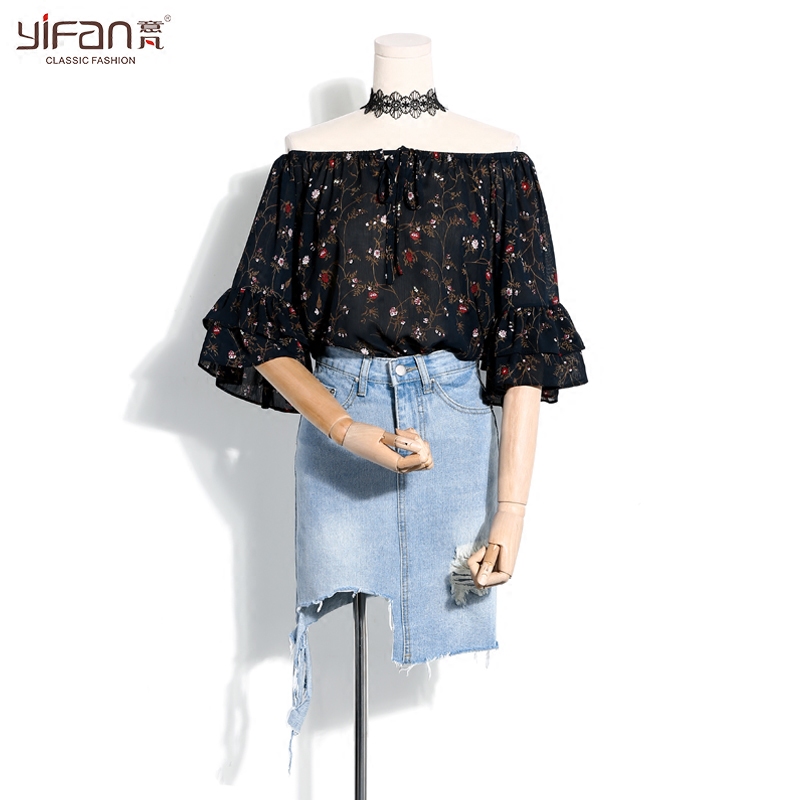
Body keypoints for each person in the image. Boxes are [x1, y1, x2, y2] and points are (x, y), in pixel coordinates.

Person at [197, 32, 588, 753]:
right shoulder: (305, 161)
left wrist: (512, 512)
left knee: (449, 597)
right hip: (338, 415)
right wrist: (344, 427)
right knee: (340, 608)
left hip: (457, 424)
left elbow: (526, 345)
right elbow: (260, 326)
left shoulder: (501, 163)